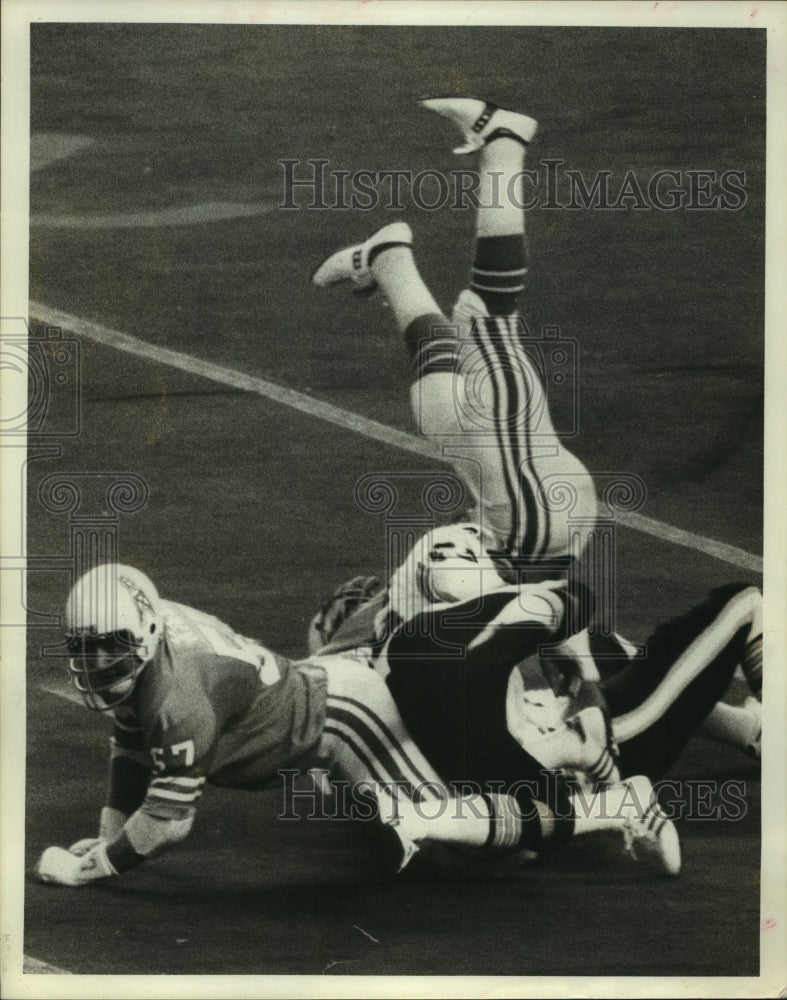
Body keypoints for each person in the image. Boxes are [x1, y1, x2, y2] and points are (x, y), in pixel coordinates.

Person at [36, 563, 681, 887]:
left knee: (470, 836)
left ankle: (619, 803)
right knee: (415, 837)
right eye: (86, 647)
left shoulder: (178, 697)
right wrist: (104, 836)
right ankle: (592, 787)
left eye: (109, 645)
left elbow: (169, 822)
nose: (95, 662)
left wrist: (96, 866)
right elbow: (130, 742)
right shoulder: (154, 661)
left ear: (146, 632)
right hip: (318, 715)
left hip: (344, 719)